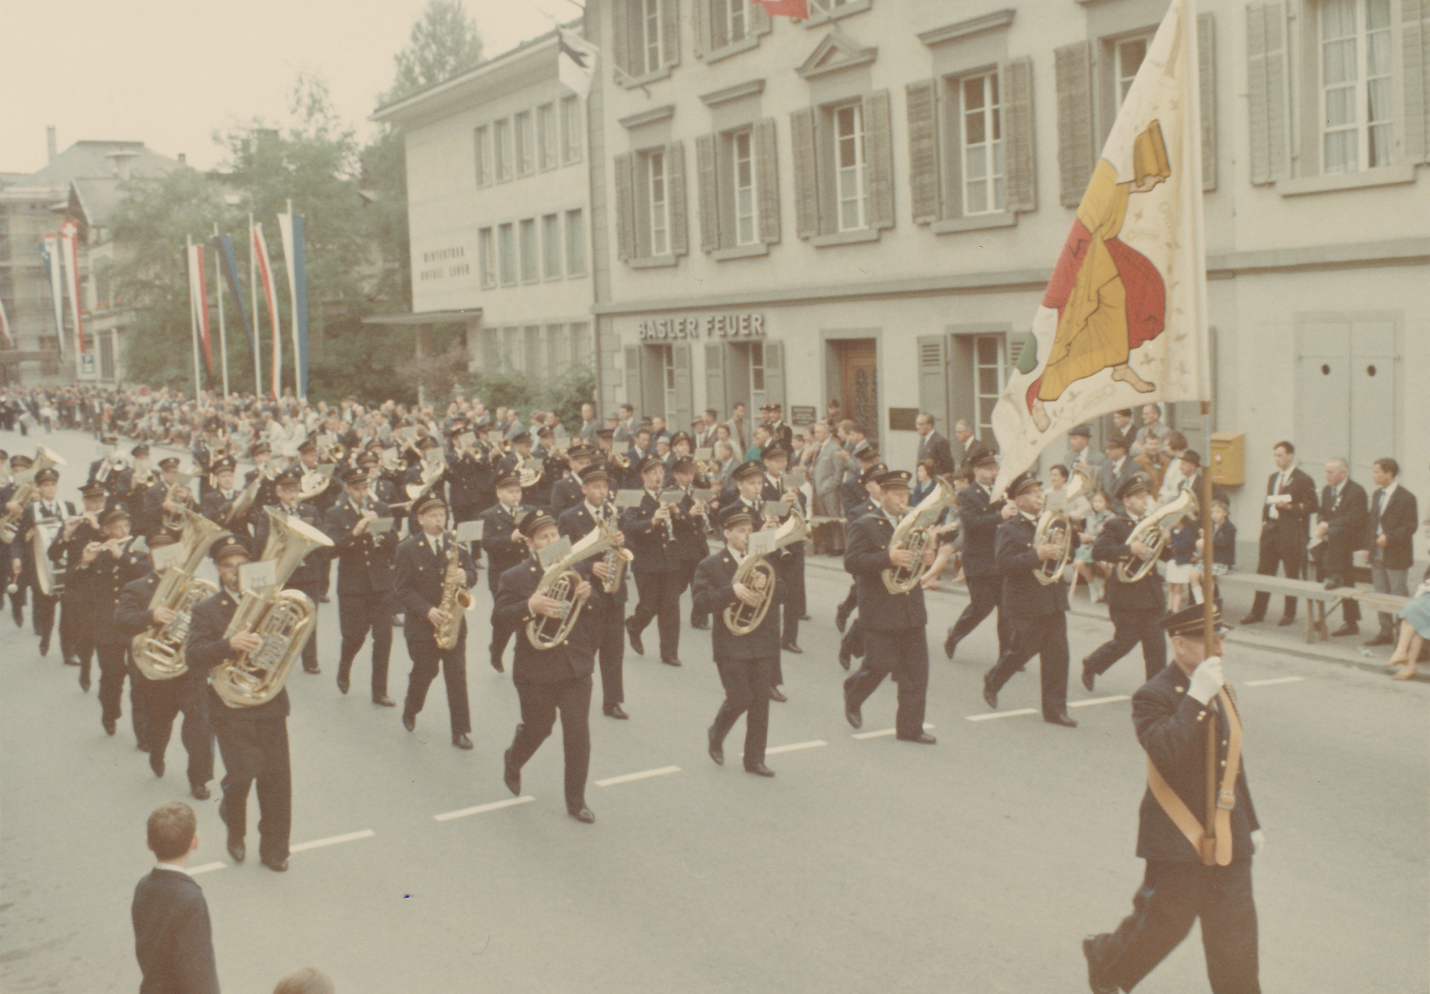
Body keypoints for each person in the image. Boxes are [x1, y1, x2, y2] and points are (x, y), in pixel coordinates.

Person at [1082, 604, 1263, 994]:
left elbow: (1233, 757)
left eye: (1223, 640)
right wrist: (1196, 697)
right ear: (1180, 644)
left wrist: (1253, 822)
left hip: (1229, 830)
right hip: (1178, 829)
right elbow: (1166, 752)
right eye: (1211, 641)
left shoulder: (1221, 685)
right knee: (1164, 923)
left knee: (1236, 935)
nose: (1221, 650)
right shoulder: (1153, 695)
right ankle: (1105, 960)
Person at [186, 536, 293, 872]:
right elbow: (192, 657)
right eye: (228, 567)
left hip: (268, 701)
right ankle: (234, 822)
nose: (235, 572)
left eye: (241, 566)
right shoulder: (206, 610)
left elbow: (289, 643)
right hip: (229, 705)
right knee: (244, 774)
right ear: (218, 570)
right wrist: (229, 644)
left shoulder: (270, 603)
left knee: (276, 780)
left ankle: (275, 849)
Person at [496, 509, 599, 823]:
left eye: (555, 534)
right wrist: (530, 605)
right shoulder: (513, 576)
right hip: (536, 669)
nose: (552, 540)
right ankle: (514, 758)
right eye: (544, 537)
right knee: (540, 728)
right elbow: (498, 618)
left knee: (577, 732)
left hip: (574, 665)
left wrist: (588, 594)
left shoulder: (576, 565)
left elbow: (593, 610)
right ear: (530, 543)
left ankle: (576, 800)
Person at [841, 468, 938, 744]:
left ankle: (910, 728)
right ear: (881, 495)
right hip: (879, 607)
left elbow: (916, 560)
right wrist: (888, 557)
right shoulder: (864, 523)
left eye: (905, 493)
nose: (901, 498)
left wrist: (926, 558)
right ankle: (853, 692)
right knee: (880, 664)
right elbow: (852, 563)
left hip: (910, 606)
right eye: (895, 494)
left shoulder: (912, 522)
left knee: (917, 671)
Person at [117, 531, 214, 799]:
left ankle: (199, 780)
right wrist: (152, 615)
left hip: (190, 672)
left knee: (200, 728)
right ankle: (157, 753)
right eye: (157, 550)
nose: (163, 556)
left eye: (168, 550)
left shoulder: (193, 586)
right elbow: (122, 619)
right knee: (159, 727)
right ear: (150, 555)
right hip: (157, 674)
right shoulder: (137, 587)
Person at [982, 472, 1079, 727]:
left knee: (1058, 655)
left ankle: (1055, 710)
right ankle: (994, 679)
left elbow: (1070, 552)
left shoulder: (1053, 522)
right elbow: (1003, 564)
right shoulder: (1009, 528)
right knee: (1021, 651)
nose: (1040, 496)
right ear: (1020, 500)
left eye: (1040, 491)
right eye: (1034, 493)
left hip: (1052, 599)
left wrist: (1065, 540)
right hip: (1026, 602)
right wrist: (1037, 555)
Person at [695, 504, 780, 777]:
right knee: (740, 698)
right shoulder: (710, 565)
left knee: (761, 705)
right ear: (726, 533)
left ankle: (754, 760)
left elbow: (783, 596)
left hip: (761, 640)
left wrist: (765, 585)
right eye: (741, 531)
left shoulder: (761, 562)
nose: (747, 535)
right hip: (730, 644)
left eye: (749, 530)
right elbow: (701, 603)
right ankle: (717, 732)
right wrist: (732, 592)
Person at [394, 493, 478, 748]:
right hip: (422, 625)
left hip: (453, 622)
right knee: (426, 671)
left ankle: (460, 730)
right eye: (433, 515)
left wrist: (466, 575)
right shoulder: (407, 548)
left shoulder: (456, 543)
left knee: (456, 675)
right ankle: (411, 706)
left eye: (442, 514)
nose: (440, 520)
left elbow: (472, 574)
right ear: (420, 519)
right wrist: (427, 611)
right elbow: (401, 589)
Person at [1082, 476, 1170, 692]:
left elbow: (1165, 556)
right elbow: (1098, 551)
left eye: (1145, 496)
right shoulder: (1115, 524)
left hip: (1151, 595)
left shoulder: (1151, 523)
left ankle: (1155, 694)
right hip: (1126, 597)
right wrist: (1128, 549)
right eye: (1139, 497)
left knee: (1156, 649)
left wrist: (1168, 541)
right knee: (1124, 643)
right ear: (1127, 501)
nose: (1145, 501)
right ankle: (1092, 663)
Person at [558, 463, 630, 719]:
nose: (602, 492)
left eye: (605, 487)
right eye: (597, 487)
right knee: (586, 649)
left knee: (614, 650)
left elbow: (629, 547)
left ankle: (612, 701)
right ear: (584, 489)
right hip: (587, 592)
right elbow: (563, 556)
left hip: (614, 590)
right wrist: (589, 566)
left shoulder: (616, 513)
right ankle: (579, 698)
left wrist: (623, 543)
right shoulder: (569, 517)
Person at [72, 506, 150, 740]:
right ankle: (110, 713)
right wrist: (85, 563)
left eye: (126, 526)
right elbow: (72, 584)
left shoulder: (138, 552)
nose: (123, 531)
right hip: (108, 626)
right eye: (117, 527)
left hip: (135, 625)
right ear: (105, 531)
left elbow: (149, 573)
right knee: (111, 678)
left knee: (140, 682)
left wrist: (122, 556)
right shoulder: (96, 552)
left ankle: (143, 732)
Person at [324, 465, 398, 706]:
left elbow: (394, 543)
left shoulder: (381, 508)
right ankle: (345, 666)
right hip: (353, 586)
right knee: (355, 637)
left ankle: (379, 691)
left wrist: (382, 533)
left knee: (384, 640)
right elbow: (331, 550)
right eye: (358, 489)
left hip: (381, 583)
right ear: (348, 489)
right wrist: (355, 533)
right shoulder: (335, 514)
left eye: (366, 488)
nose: (363, 493)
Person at [132, 802, 221, 994]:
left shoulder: (143, 886)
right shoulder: (190, 899)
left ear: (149, 844)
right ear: (194, 842)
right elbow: (197, 970)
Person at [251, 468, 328, 673]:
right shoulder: (269, 513)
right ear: (279, 492)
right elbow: (261, 542)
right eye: (288, 491)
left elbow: (321, 538)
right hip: (284, 573)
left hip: (307, 571)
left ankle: (310, 661)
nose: (293, 495)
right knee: (279, 618)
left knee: (309, 616)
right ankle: (273, 660)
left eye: (295, 490)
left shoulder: (309, 512)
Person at [943, 451, 1014, 663]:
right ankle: (954, 635)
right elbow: (973, 525)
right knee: (981, 608)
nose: (994, 473)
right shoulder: (966, 495)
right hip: (979, 560)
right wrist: (1001, 516)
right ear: (976, 471)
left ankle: (1006, 654)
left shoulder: (1001, 492)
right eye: (988, 469)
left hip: (1001, 557)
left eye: (995, 468)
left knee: (1006, 609)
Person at [1240, 441, 1317, 627]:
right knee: (1264, 570)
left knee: (1291, 571)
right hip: (1271, 528)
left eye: (1280, 455)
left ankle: (1289, 613)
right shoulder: (1273, 477)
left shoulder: (1302, 479)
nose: (1277, 459)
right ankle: (1257, 611)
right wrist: (1265, 521)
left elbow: (1312, 505)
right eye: (1275, 455)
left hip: (1290, 530)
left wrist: (1290, 507)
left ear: (1290, 456)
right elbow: (1268, 501)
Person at [621, 454, 685, 666]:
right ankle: (634, 626)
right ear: (643, 475)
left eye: (661, 472)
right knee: (649, 606)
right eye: (653, 472)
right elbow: (629, 528)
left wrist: (677, 513)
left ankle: (669, 653)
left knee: (671, 607)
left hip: (670, 559)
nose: (658, 476)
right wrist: (653, 520)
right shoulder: (635, 498)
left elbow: (688, 522)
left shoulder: (671, 495)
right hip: (646, 560)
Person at [10, 465, 74, 657]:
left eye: (53, 485)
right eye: (45, 485)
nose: (50, 489)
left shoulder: (67, 507)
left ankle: (68, 651)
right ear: (39, 488)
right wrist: (16, 558)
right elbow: (19, 539)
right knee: (46, 610)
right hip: (40, 567)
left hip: (65, 566)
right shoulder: (31, 510)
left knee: (69, 612)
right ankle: (45, 637)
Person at [479, 471, 533, 672]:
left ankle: (523, 660)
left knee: (525, 616)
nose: (515, 496)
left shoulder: (529, 510)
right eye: (510, 492)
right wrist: (511, 538)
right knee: (504, 617)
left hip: (527, 572)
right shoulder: (489, 515)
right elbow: (487, 543)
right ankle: (497, 649)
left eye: (518, 491)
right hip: (502, 574)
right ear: (499, 492)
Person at [1363, 457, 1418, 648]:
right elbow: (1371, 523)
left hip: (1396, 552)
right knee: (1380, 592)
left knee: (1398, 592)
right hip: (1377, 549)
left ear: (1389, 474)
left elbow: (1410, 526)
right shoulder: (1377, 494)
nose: (1373, 475)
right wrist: (1367, 547)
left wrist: (1390, 536)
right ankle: (1385, 631)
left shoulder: (1406, 497)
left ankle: (1404, 634)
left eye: (1377, 471)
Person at [1314, 457, 1367, 637]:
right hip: (1333, 540)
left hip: (1350, 537)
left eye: (1331, 472)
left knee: (1343, 572)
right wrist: (1322, 522)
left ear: (1343, 473)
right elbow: (1322, 511)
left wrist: (1329, 525)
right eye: (1326, 472)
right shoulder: (1328, 490)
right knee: (1347, 576)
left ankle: (1334, 575)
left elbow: (1355, 518)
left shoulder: (1356, 491)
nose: (1327, 476)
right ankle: (1349, 622)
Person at [915, 413, 956, 478]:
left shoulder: (940, 441)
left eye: (921, 424)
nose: (917, 427)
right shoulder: (923, 440)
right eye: (917, 424)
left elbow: (948, 467)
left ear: (929, 425)